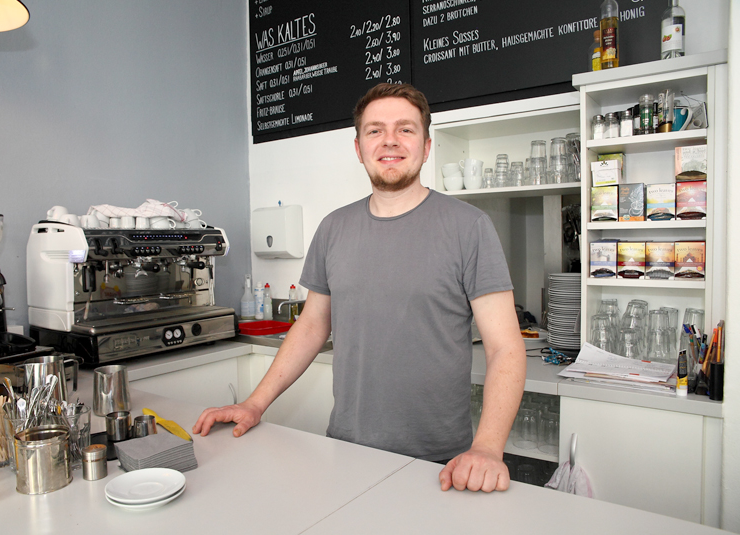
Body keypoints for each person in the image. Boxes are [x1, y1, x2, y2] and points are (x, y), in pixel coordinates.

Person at [193, 83, 526, 493]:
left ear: (426, 146)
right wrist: (254, 403)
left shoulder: (469, 227)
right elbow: (312, 325)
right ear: (358, 148)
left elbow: (505, 347)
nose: (390, 140)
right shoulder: (333, 228)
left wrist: (488, 448)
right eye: (375, 130)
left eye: (405, 129)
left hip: (440, 463)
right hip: (347, 450)